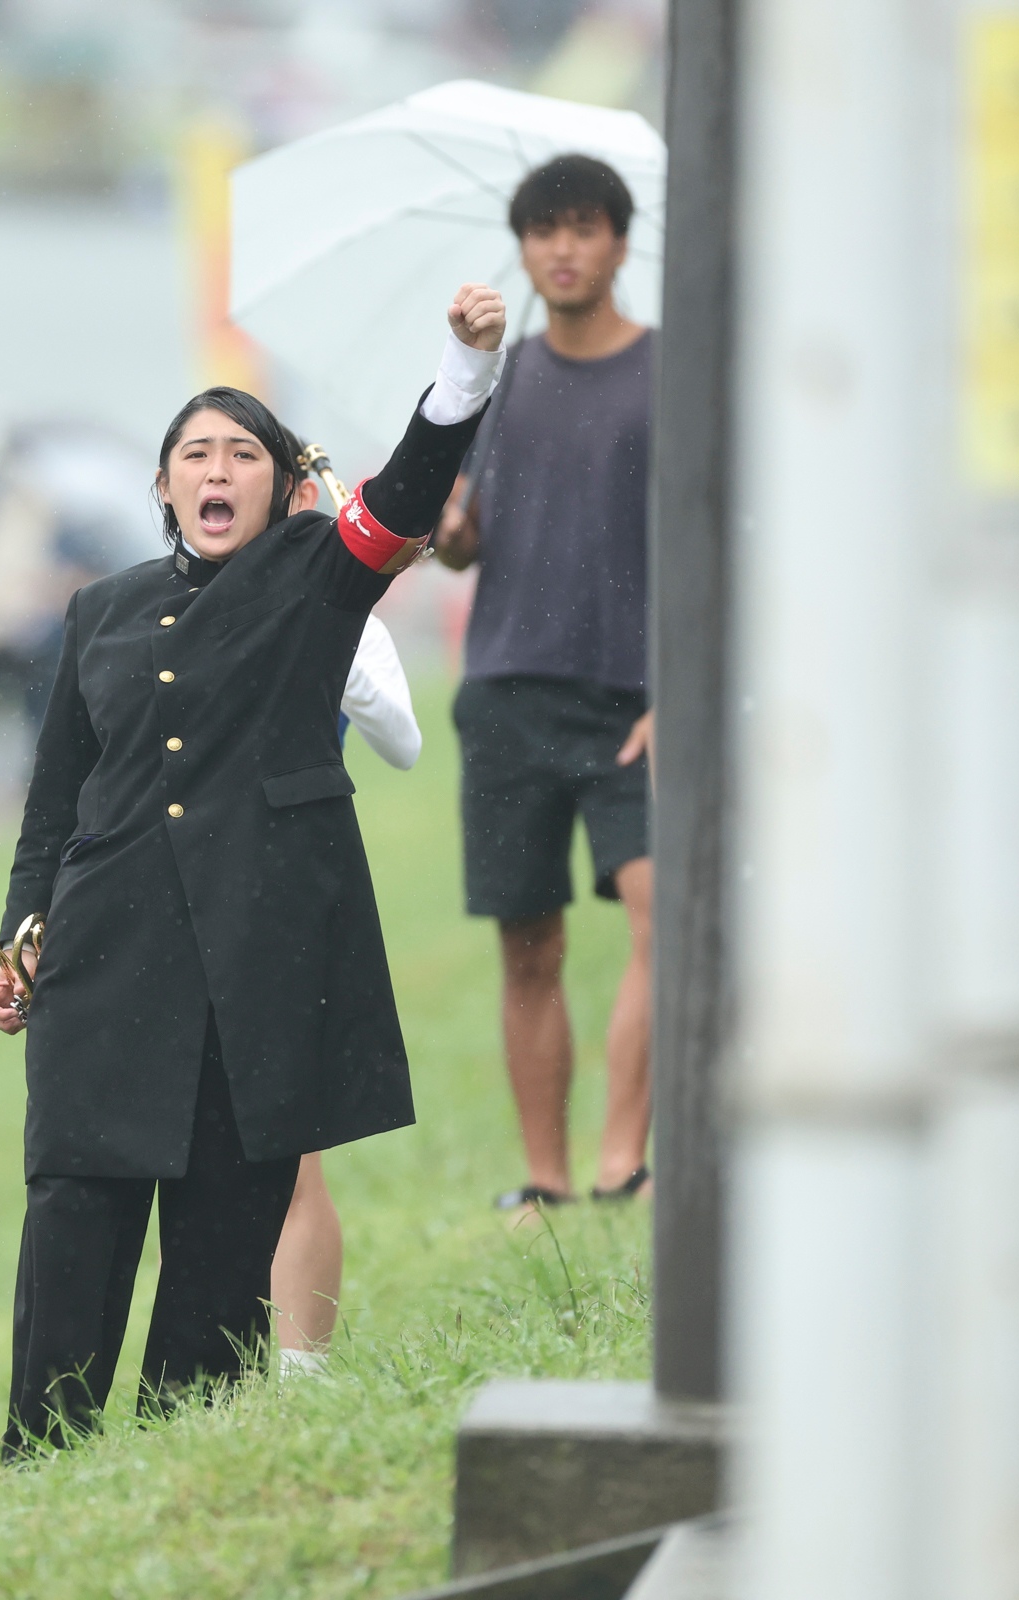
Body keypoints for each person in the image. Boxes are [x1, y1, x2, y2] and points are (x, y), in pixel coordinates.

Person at [0, 281, 507, 1457]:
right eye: (195, 454)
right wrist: (22, 934)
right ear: (164, 485)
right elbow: (55, 797)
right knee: (73, 1209)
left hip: (260, 963)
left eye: (242, 454)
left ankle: (183, 1453)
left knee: (223, 1238)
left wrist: (463, 368)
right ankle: (43, 1456)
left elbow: (407, 493)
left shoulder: (319, 577)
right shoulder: (100, 610)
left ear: (279, 485)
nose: (217, 471)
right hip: (104, 958)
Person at [433, 153, 655, 1211]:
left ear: (620, 241)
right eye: (543, 230)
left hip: (635, 697)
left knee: (661, 920)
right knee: (529, 945)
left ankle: (622, 1161)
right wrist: (451, 532)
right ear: (522, 248)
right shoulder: (498, 377)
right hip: (509, 688)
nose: (563, 249)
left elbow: (713, 538)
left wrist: (681, 691)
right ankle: (545, 1180)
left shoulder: (671, 372)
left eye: (584, 227)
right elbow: (458, 542)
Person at [268, 473, 424, 1373]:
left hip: (288, 883)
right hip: (182, 886)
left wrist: (344, 647)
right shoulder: (175, 609)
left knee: (295, 1150)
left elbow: (401, 744)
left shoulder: (350, 621)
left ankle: (302, 1373)